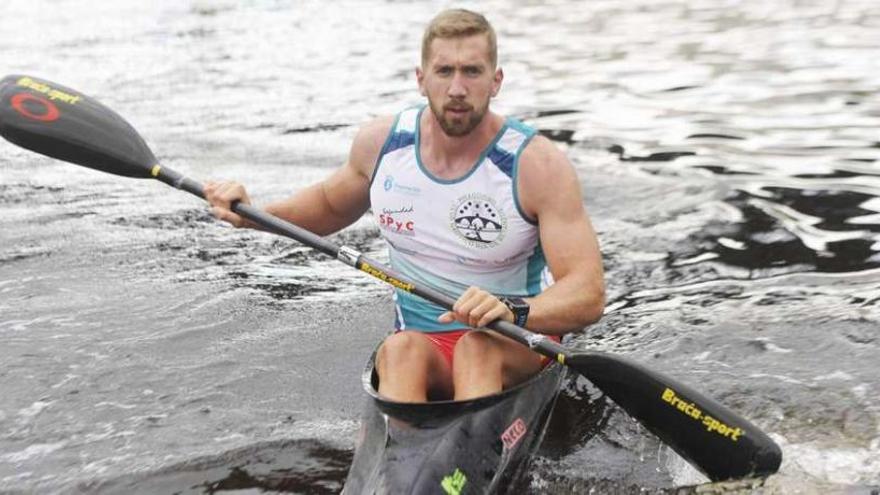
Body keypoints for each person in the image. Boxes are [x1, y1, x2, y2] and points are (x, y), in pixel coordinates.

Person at [204, 8, 604, 403]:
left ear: (495, 81)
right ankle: (403, 457)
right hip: (422, 345)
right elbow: (328, 205)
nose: (457, 88)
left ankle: (468, 463)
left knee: (476, 348)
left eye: (472, 71)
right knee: (397, 352)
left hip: (512, 342)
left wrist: (512, 310)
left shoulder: (536, 166)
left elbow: (587, 293)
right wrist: (250, 214)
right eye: (444, 71)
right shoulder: (383, 144)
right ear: (421, 79)